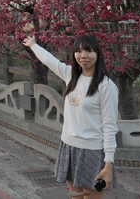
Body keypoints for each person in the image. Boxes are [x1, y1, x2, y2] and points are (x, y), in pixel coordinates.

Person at [23, 35, 119, 198]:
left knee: (91, 196)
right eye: (79, 51)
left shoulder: (106, 86)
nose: (83, 56)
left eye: (89, 51)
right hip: (69, 147)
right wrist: (33, 45)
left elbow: (110, 127)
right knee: (75, 196)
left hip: (93, 153)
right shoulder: (71, 76)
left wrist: (108, 163)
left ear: (98, 54)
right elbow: (50, 60)